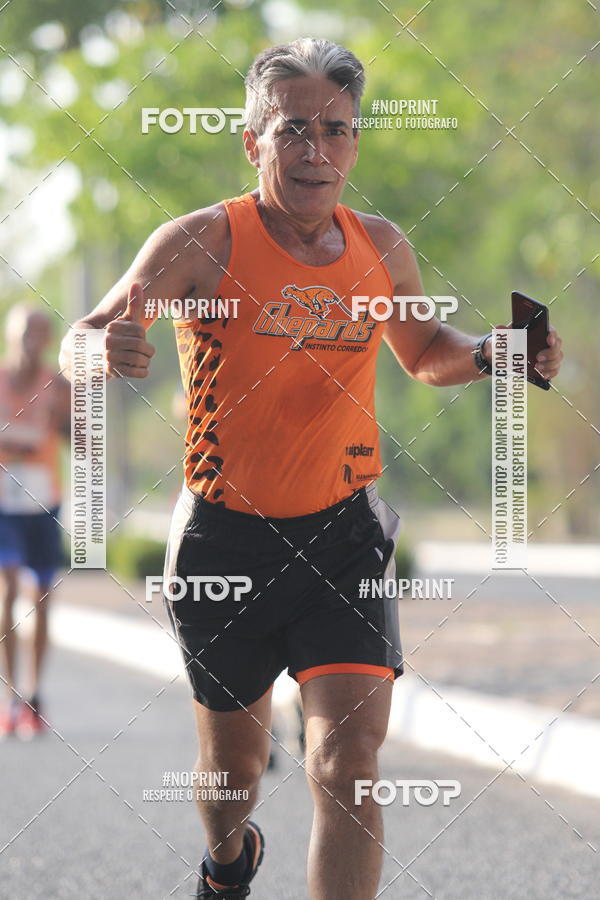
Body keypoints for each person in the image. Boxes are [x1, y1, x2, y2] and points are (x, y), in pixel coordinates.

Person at [59, 38, 563, 900]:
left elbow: (423, 349)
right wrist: (102, 352)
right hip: (225, 541)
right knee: (233, 776)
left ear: (355, 145)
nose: (314, 152)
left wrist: (494, 353)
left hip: (343, 535)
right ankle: (228, 860)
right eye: (292, 130)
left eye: (335, 131)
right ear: (252, 141)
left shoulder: (382, 246)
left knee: (350, 763)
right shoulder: (201, 241)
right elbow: (82, 337)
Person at [0, 305, 69, 738]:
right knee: (7, 590)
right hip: (3, 501)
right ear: (11, 334)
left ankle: (35, 692)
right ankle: (10, 696)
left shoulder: (57, 385)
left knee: (42, 594)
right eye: (27, 331)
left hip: (43, 499)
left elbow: (75, 437)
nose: (33, 340)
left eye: (42, 334)